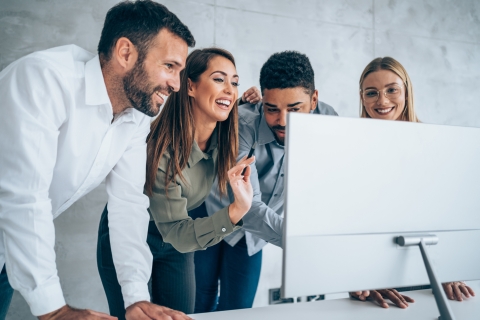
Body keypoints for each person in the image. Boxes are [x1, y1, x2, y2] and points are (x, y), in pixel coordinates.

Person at [0, 1, 195, 319]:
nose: (176, 84)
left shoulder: (136, 116)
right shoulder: (44, 80)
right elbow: (24, 198)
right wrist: (54, 311)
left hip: (9, 251)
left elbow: (128, 203)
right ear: (126, 53)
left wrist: (135, 297)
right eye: (169, 66)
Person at [97, 47, 255, 318]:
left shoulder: (225, 135)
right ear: (190, 86)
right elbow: (176, 233)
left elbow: (275, 123)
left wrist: (253, 105)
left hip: (176, 240)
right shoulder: (161, 150)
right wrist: (235, 213)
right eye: (219, 79)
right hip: (132, 235)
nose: (230, 89)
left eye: (235, 82)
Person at [192, 51, 338, 313]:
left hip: (253, 234)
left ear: (314, 99)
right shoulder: (243, 124)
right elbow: (247, 203)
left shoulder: (330, 124)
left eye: (294, 109)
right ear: (262, 101)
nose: (282, 121)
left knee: (237, 310)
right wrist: (298, 242)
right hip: (209, 211)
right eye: (272, 109)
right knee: (199, 301)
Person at [350, 56, 476, 307]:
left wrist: (449, 268)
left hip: (429, 270)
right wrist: (357, 277)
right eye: (372, 92)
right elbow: (345, 221)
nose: (382, 101)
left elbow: (447, 213)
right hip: (374, 277)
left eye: (392, 90)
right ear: (362, 97)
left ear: (406, 92)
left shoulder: (433, 145)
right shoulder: (351, 148)